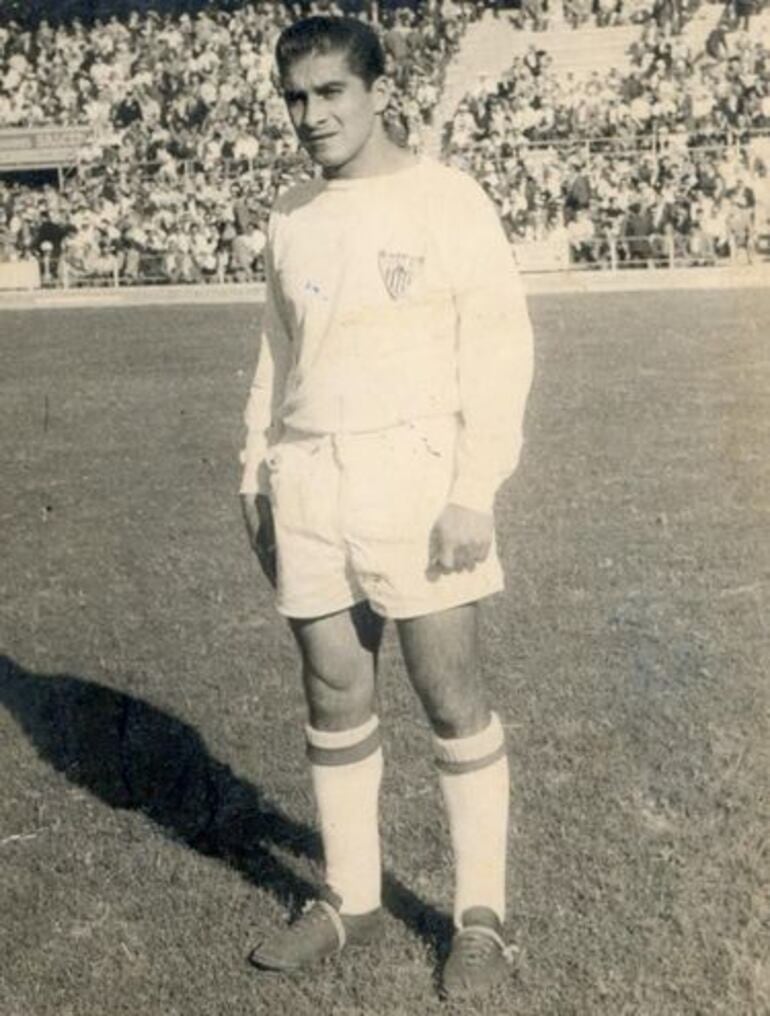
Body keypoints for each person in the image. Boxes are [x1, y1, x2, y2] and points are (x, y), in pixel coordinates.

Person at [239, 15, 534, 999]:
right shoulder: (289, 211)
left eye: (330, 94)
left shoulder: (446, 199)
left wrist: (471, 490)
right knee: (332, 690)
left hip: (418, 476)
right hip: (311, 475)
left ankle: (480, 919)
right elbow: (277, 352)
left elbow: (498, 347)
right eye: (295, 98)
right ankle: (350, 899)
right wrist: (256, 470)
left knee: (449, 691)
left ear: (376, 92)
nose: (311, 115)